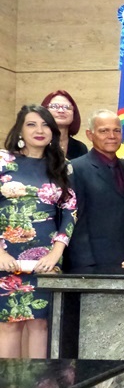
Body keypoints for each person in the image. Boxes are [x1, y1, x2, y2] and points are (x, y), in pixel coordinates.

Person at [0, 105, 76, 358]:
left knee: (40, 323)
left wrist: (56, 253)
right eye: (31, 124)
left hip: (46, 256)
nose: (39, 130)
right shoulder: (3, 161)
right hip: (5, 254)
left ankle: (39, 383)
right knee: (9, 324)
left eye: (45, 125)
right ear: (20, 130)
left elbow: (70, 211)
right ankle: (7, 383)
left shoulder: (63, 166)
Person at [67, 110, 124, 269]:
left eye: (116, 130)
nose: (112, 136)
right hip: (92, 261)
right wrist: (84, 263)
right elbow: (74, 219)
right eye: (104, 131)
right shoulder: (76, 168)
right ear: (90, 135)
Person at [41, 90, 88, 159]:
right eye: (54, 106)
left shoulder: (80, 148)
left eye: (66, 107)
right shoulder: (37, 143)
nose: (61, 111)